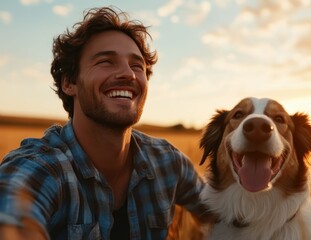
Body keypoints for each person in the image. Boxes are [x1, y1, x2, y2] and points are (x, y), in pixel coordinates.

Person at [0, 6, 210, 240]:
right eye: (106, 62)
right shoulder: (42, 168)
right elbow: (11, 212)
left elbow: (226, 216)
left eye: (137, 66)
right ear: (69, 83)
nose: (128, 74)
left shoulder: (168, 163)